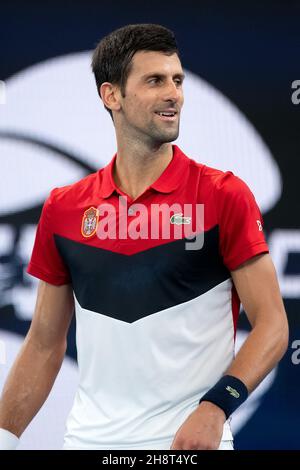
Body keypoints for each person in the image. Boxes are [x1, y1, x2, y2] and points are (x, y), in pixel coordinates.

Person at [0, 23, 288, 451]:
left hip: (189, 446)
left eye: (177, 80)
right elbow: (44, 342)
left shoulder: (223, 195)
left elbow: (272, 326)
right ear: (111, 95)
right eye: (155, 81)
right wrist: (4, 434)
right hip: (88, 443)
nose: (174, 94)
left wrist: (215, 409)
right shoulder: (64, 208)